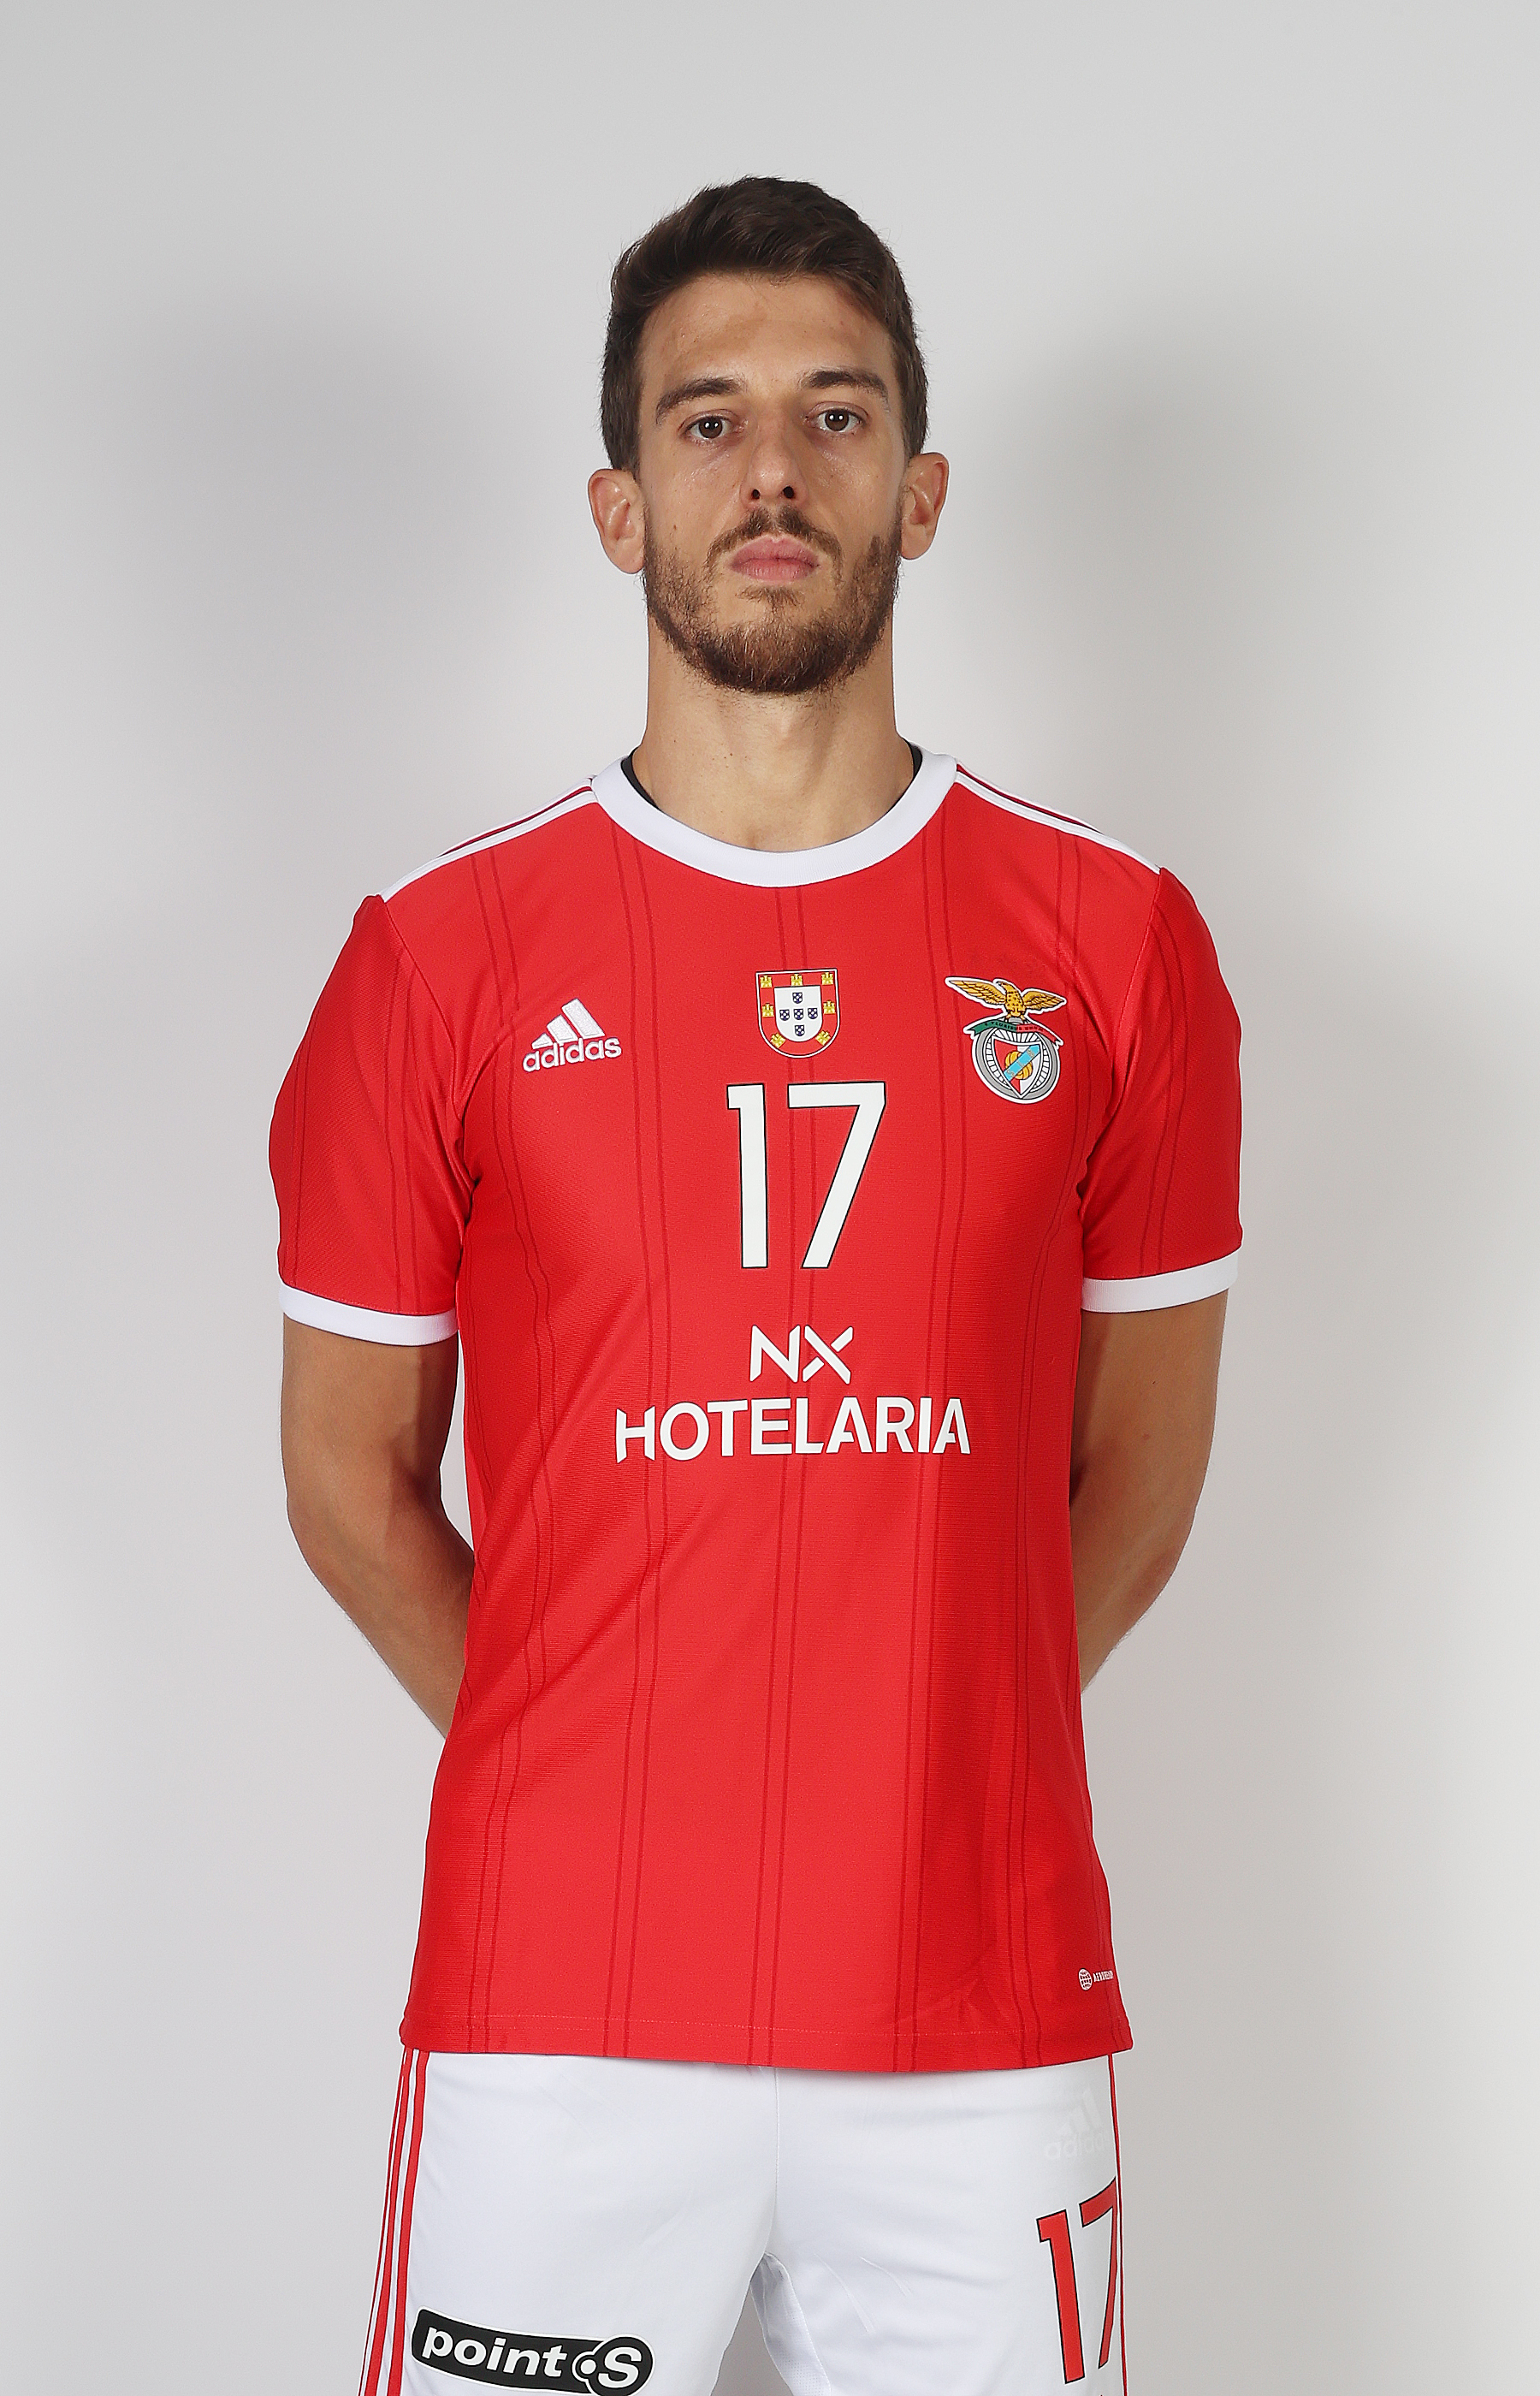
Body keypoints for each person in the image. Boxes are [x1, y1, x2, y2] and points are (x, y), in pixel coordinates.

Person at [272, 175, 1241, 2396]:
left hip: (980, 2016)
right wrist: (605, 1770)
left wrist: (930, 1753)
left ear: (922, 489)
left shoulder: (1117, 946)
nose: (774, 469)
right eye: (707, 422)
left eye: (835, 412)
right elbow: (347, 1482)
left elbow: (1142, 1469)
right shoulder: (439, 959)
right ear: (620, 508)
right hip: (560, 2024)